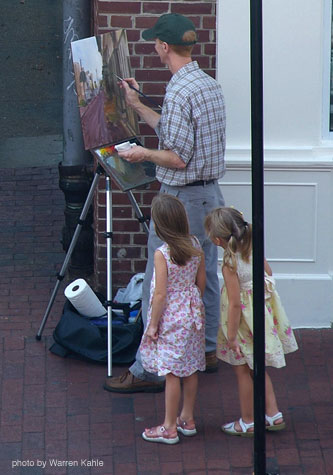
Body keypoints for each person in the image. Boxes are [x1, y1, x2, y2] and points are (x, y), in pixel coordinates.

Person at [104, 13, 226, 393]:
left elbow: (177, 157)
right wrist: (137, 105)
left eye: (155, 43)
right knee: (204, 278)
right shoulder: (206, 85)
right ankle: (206, 352)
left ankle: (150, 368)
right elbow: (177, 132)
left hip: (181, 200)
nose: (154, 48)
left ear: (164, 46)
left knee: (163, 279)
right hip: (210, 197)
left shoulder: (179, 90)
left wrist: (141, 153)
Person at [204, 207, 298, 436]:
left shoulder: (229, 264)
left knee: (242, 370)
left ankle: (248, 420)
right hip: (260, 315)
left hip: (243, 324)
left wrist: (232, 336)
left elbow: (235, 304)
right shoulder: (254, 249)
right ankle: (273, 415)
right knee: (258, 367)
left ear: (218, 239)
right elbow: (268, 273)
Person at [139, 194, 205, 444]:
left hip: (171, 317)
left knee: (171, 373)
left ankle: (168, 427)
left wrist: (153, 324)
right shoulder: (196, 244)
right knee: (190, 367)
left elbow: (159, 294)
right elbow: (201, 283)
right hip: (193, 313)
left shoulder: (162, 254)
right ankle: (187, 419)